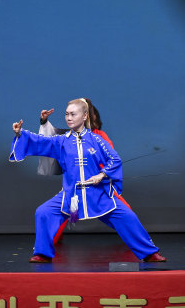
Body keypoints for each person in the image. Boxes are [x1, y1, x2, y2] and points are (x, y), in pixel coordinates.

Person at [10, 98, 165, 263]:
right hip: (72, 196)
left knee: (127, 216)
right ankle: (42, 253)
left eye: (73, 114)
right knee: (43, 212)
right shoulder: (61, 141)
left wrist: (102, 174)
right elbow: (40, 141)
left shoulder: (97, 140)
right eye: (67, 114)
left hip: (98, 194)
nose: (68, 118)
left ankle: (149, 253)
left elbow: (115, 160)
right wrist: (20, 133)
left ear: (84, 116)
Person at [37, 98, 131, 244]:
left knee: (125, 212)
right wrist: (44, 122)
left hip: (99, 186)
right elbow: (49, 139)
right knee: (61, 212)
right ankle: (46, 246)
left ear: (88, 116)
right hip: (77, 188)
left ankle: (138, 243)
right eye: (69, 114)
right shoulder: (69, 137)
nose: (71, 117)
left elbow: (111, 158)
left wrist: (102, 174)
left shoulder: (99, 136)